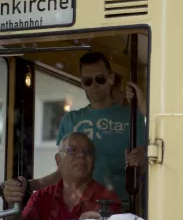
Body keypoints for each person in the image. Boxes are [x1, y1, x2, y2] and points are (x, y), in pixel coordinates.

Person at [2, 52, 146, 208]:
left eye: (100, 79)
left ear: (110, 79)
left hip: (121, 209)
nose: (94, 86)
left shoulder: (133, 117)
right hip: (77, 211)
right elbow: (62, 173)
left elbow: (148, 166)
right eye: (88, 81)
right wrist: (27, 186)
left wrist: (141, 162)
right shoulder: (70, 120)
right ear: (82, 83)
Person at [3, 132, 121, 220]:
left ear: (94, 161)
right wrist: (13, 204)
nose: (81, 155)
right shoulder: (41, 197)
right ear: (58, 160)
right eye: (72, 150)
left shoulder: (107, 198)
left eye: (87, 152)